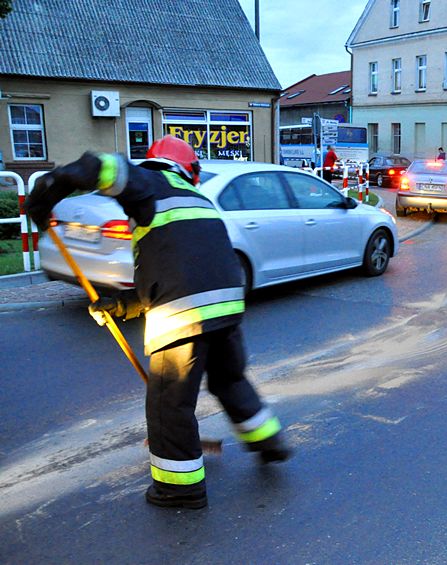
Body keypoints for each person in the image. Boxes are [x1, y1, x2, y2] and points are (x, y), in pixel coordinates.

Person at [24, 136, 291, 510]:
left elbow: (98, 166)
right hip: (228, 306)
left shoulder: (149, 182)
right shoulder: (199, 199)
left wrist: (47, 192)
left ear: (155, 163)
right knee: (230, 379)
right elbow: (174, 272)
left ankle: (179, 489)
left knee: (170, 404)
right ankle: (270, 441)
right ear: (190, 171)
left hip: (184, 315)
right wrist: (119, 306)